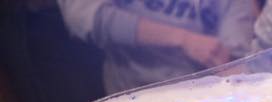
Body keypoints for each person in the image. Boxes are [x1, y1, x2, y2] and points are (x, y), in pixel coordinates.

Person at [59, 0, 259, 95]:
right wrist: (183, 39)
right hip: (133, 99)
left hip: (206, 97)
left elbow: (235, 50)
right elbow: (87, 19)